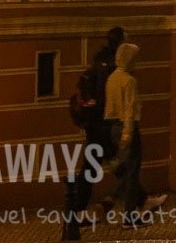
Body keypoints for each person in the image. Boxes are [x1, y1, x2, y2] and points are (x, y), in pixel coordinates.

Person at [103, 42, 166, 223]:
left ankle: (142, 200)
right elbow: (129, 109)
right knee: (132, 171)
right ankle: (127, 214)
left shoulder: (112, 79)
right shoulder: (129, 81)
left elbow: (110, 108)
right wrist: (128, 134)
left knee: (126, 169)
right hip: (126, 127)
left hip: (113, 127)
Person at [70, 27, 125, 213]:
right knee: (117, 163)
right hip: (104, 122)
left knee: (97, 164)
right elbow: (107, 94)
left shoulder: (99, 58)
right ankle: (135, 199)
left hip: (94, 122)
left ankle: (79, 205)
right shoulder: (114, 63)